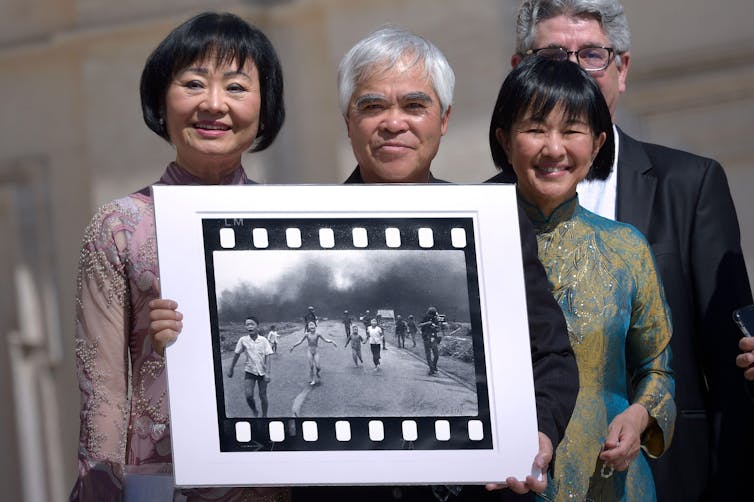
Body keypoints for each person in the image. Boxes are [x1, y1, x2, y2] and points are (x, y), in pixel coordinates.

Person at [295, 26, 579, 501]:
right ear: (347, 121)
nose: (393, 122)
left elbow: (551, 356)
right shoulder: (299, 232)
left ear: (443, 119)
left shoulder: (493, 223)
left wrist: (540, 432)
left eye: (414, 105)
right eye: (372, 106)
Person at [487, 2, 753, 499]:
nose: (554, 147)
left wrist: (640, 414)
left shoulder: (666, 208)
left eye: (589, 54)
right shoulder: (477, 226)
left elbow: (698, 361)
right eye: (550, 55)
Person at [71, 11, 287, 502]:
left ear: (264, 105)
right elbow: (101, 390)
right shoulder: (119, 227)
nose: (213, 105)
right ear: (160, 101)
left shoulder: (287, 219)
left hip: (274, 481)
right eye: (193, 83)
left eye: (236, 87)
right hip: (164, 482)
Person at [489, 56, 676, 501]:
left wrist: (639, 416)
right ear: (505, 140)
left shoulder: (627, 247)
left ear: (596, 144)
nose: (554, 148)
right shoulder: (476, 241)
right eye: (535, 129)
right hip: (510, 483)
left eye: (571, 130)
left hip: (613, 484)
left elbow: (658, 367)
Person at [227, 316, 274, 417]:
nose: (250, 326)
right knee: (248, 396)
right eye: (247, 324)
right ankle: (254, 410)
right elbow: (236, 354)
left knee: (263, 395)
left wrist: (268, 373)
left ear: (257, 326)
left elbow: (268, 356)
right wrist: (231, 368)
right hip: (250, 371)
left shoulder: (264, 340)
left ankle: (264, 415)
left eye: (252, 324)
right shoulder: (243, 340)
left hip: (262, 371)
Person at [289, 321, 337, 385]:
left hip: (316, 352)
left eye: (313, 325)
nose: (311, 326)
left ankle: (317, 373)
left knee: (318, 367)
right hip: (309, 351)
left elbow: (325, 340)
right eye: (310, 325)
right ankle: (313, 379)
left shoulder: (318, 334)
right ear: (308, 327)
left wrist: (332, 341)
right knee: (311, 366)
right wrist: (293, 346)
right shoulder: (306, 334)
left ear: (315, 327)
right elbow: (300, 341)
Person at [419, 307, 441, 375]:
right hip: (426, 338)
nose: (430, 316)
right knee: (428, 355)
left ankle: (434, 366)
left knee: (436, 355)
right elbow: (419, 324)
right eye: (429, 314)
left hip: (433, 337)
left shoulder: (435, 319)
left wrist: (436, 327)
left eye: (432, 314)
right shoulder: (425, 318)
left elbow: (438, 328)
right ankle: (431, 369)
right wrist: (427, 323)